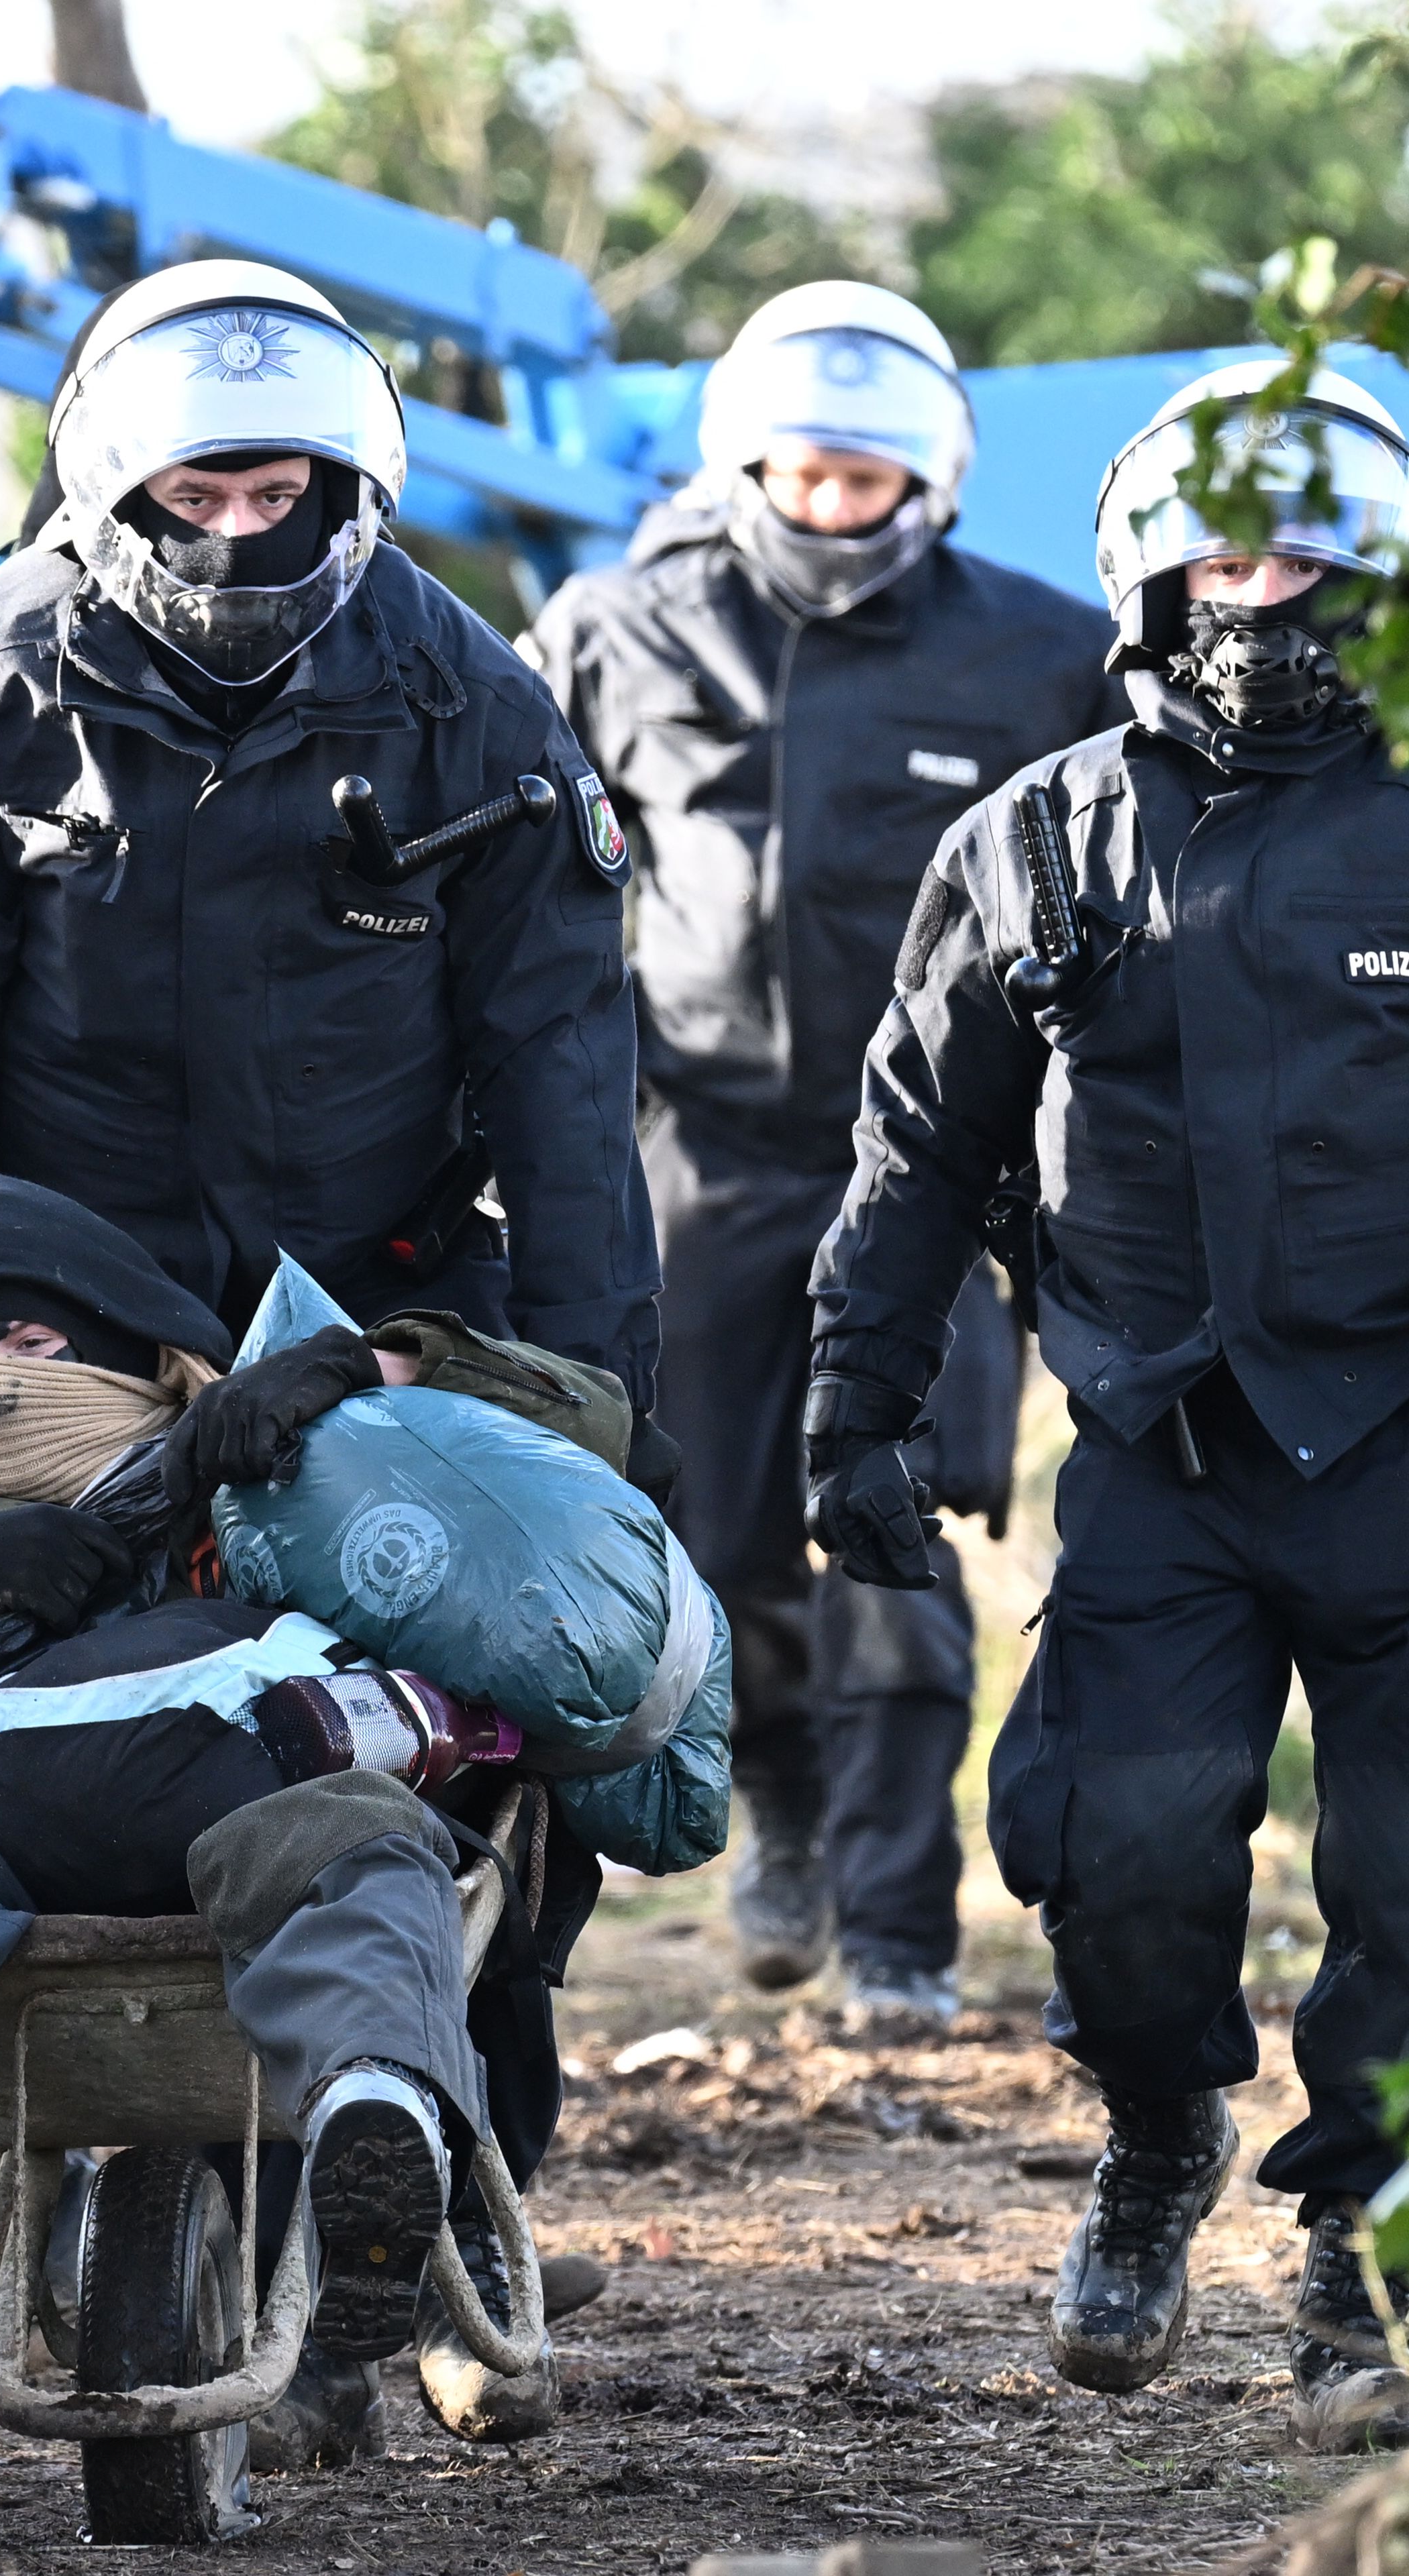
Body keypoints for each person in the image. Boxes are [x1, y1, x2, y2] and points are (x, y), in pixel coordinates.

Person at [804, 364, 1409, 2452]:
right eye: (1223, 555)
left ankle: (1368, 2248)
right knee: (1114, 1853)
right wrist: (859, 1417)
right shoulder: (1030, 840)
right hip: (1149, 1437)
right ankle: (1154, 2142)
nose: (1263, 593)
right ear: (1144, 573)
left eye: (1307, 557)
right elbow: (915, 1151)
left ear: (1392, 577)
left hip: (1408, 1429)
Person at [0, 1173, 619, 2450]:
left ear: (139, 1342)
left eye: (32, 1341)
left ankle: (382, 2139)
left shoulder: (284, 1446)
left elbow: (588, 1423)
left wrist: (358, 1366)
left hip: (264, 1818)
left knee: (360, 1846)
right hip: (11, 1868)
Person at [522, 285, 1119, 2026]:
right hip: (692, 1154)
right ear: (745, 461)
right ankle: (777, 1807)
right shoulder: (615, 629)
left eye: (868, 476)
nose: (834, 503)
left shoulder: (1034, 651)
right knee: (716, 1535)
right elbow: (527, 878)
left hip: (932, 1165)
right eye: (805, 471)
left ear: (925, 477)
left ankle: (903, 1935)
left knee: (901, 1522)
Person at [0, 254, 660, 1460]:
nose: (238, 537)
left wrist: (597, 1394)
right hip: (63, 1327)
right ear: (118, 485)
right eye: (198, 500)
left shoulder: (475, 706)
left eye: (276, 497)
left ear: (343, 484)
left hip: (384, 1318)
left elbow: (564, 1072)